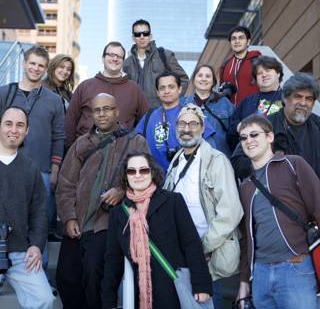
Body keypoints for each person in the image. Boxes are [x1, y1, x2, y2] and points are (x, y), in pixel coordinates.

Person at [56, 93, 149, 309]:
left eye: (107, 109)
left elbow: (147, 178)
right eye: (97, 110)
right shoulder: (81, 144)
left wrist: (122, 190)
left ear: (117, 112)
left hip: (106, 224)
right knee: (65, 277)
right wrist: (69, 218)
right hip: (78, 221)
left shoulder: (135, 142)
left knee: (93, 276)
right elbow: (65, 183)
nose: (102, 114)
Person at [101, 151, 212, 309]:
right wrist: (109, 302)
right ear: (125, 176)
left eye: (144, 170)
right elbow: (113, 260)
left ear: (152, 172)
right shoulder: (118, 214)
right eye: (132, 171)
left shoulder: (173, 201)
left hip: (174, 290)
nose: (138, 175)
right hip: (140, 295)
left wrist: (201, 285)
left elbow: (192, 245)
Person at [164, 103, 244, 309]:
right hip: (182, 255)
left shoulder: (217, 161)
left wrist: (202, 246)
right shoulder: (175, 162)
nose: (186, 128)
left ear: (202, 127)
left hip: (209, 256)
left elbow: (231, 211)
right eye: (182, 123)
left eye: (193, 123)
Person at [237, 114, 320, 309]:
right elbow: (246, 240)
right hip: (260, 274)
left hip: (296, 268)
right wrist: (244, 282)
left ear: (270, 137)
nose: (249, 140)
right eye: (243, 137)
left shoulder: (293, 164)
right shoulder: (245, 187)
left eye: (254, 134)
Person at [0, 45, 65, 245]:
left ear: (46, 69)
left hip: (41, 170)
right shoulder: (4, 93)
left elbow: (59, 136)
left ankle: (39, 263)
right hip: (5, 166)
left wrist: (55, 169)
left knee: (40, 219)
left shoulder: (55, 100)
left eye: (41, 66)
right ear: (24, 64)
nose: (36, 68)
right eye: (32, 64)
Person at [0, 107, 54, 309]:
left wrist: (36, 245)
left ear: (27, 131)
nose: (14, 129)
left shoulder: (30, 168)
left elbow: (39, 212)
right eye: (8, 123)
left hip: (20, 251)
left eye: (20, 125)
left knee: (44, 299)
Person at [232, 72, 320, 180]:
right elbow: (238, 162)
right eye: (298, 97)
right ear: (285, 98)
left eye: (309, 99)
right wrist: (269, 164)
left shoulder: (317, 125)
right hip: (278, 194)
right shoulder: (262, 125)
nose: (303, 103)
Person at [65, 41, 149, 148]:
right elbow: (70, 121)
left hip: (122, 154)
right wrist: (72, 151)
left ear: (123, 61)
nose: (115, 59)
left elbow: (146, 123)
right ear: (102, 59)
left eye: (119, 56)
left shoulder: (134, 89)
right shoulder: (85, 86)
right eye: (110, 55)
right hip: (86, 152)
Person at [135, 71, 215, 173]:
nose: (166, 91)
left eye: (171, 87)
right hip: (154, 179)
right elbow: (136, 145)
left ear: (180, 89)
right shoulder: (149, 116)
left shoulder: (191, 113)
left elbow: (210, 146)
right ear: (157, 92)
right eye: (162, 88)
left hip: (185, 176)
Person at [123, 19, 189, 107]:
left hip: (161, 113)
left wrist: (172, 102)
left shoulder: (165, 55)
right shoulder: (127, 63)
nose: (142, 37)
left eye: (145, 33)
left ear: (150, 36)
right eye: (138, 34)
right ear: (133, 38)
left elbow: (184, 80)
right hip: (137, 115)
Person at [228, 56, 284, 151]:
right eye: (259, 73)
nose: (264, 75)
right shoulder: (247, 102)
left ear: (278, 73)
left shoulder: (288, 99)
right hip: (248, 156)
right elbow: (231, 131)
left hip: (279, 155)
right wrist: (240, 127)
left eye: (268, 70)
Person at [183, 64, 234, 155]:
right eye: (200, 75)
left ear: (213, 81)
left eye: (208, 76)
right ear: (194, 80)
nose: (204, 79)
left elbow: (234, 133)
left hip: (221, 158)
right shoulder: (184, 104)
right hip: (193, 159)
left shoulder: (225, 103)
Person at [219, 25, 261, 105]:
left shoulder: (258, 60)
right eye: (233, 38)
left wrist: (262, 114)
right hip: (232, 114)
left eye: (241, 38)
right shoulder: (225, 66)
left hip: (254, 114)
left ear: (248, 41)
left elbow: (270, 88)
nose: (237, 41)